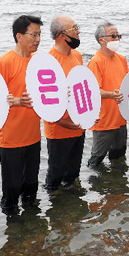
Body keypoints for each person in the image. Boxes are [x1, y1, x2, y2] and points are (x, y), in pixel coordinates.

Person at [0, 15, 44, 213]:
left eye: (39, 35)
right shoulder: (5, 62)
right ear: (19, 36)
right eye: (33, 35)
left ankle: (31, 228)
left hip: (33, 136)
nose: (38, 40)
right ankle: (12, 231)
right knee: (12, 189)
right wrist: (15, 101)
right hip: (11, 139)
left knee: (31, 187)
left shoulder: (38, 63)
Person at [43, 16, 85, 191]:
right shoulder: (48, 61)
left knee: (73, 174)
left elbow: (82, 87)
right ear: (61, 35)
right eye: (74, 28)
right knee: (55, 176)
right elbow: (44, 101)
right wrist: (62, 122)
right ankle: (55, 212)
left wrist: (88, 114)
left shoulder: (77, 56)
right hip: (58, 130)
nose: (78, 31)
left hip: (78, 125)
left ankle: (72, 210)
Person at [87, 22, 129, 167]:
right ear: (101, 40)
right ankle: (95, 187)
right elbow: (93, 91)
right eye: (113, 36)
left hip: (121, 118)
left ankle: (116, 185)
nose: (116, 39)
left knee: (118, 157)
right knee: (96, 160)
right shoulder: (96, 62)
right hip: (104, 121)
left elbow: (128, 84)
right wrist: (112, 94)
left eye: (118, 36)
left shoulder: (122, 59)